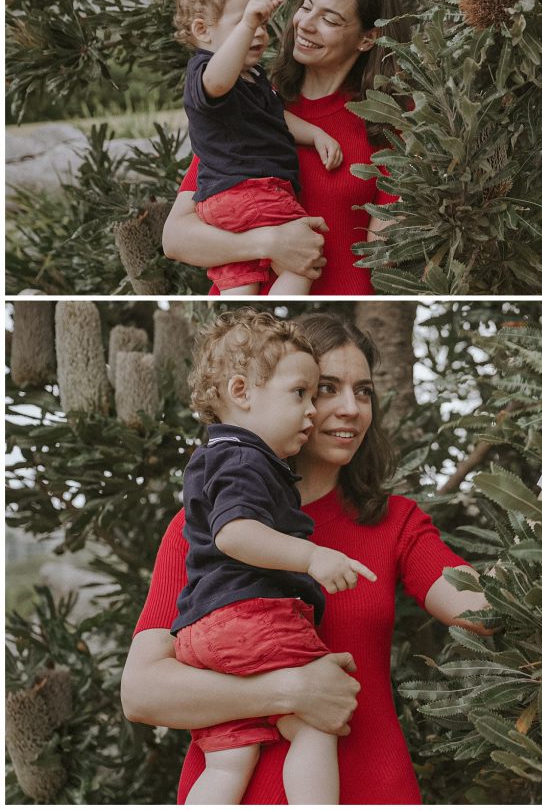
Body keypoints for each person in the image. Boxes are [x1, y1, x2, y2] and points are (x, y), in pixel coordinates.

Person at [122, 313, 492, 805]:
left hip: (372, 790)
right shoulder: (204, 525)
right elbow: (143, 692)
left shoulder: (393, 522)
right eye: (324, 389)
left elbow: (479, 612)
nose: (350, 409)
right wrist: (289, 692)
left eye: (363, 392)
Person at [173, 309, 377, 804]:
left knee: (226, 762)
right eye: (302, 394)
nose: (311, 411)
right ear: (241, 392)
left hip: (201, 634)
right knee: (314, 719)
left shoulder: (212, 457)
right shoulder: (247, 459)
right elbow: (236, 534)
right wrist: (311, 557)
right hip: (251, 616)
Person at [163, 0, 407, 295]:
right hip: (251, 313)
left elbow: (383, 255)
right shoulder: (246, 105)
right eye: (306, 7)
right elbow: (175, 238)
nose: (306, 24)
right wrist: (268, 242)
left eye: (330, 19)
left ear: (367, 39)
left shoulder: (388, 122)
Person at [174, 0, 344, 296]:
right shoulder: (207, 73)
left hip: (223, 204)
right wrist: (250, 21)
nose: (257, 31)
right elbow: (217, 81)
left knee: (240, 284)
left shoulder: (252, 77)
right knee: (305, 257)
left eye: (261, 23)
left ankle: (248, 318)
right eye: (244, 21)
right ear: (202, 31)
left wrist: (316, 134)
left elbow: (274, 117)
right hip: (255, 192)